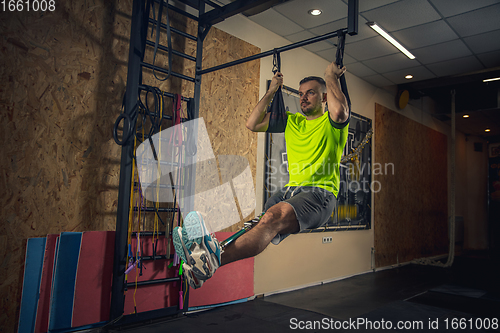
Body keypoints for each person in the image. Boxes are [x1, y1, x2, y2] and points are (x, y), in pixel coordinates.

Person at [172, 62, 350, 288]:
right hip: (289, 193)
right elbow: (252, 123)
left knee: (271, 217)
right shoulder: (292, 121)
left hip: (319, 196)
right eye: (301, 94)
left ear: (324, 97)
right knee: (258, 225)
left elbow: (340, 111)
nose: (303, 98)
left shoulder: (333, 124)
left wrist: (330, 75)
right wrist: (272, 89)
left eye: (311, 93)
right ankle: (202, 263)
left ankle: (210, 257)